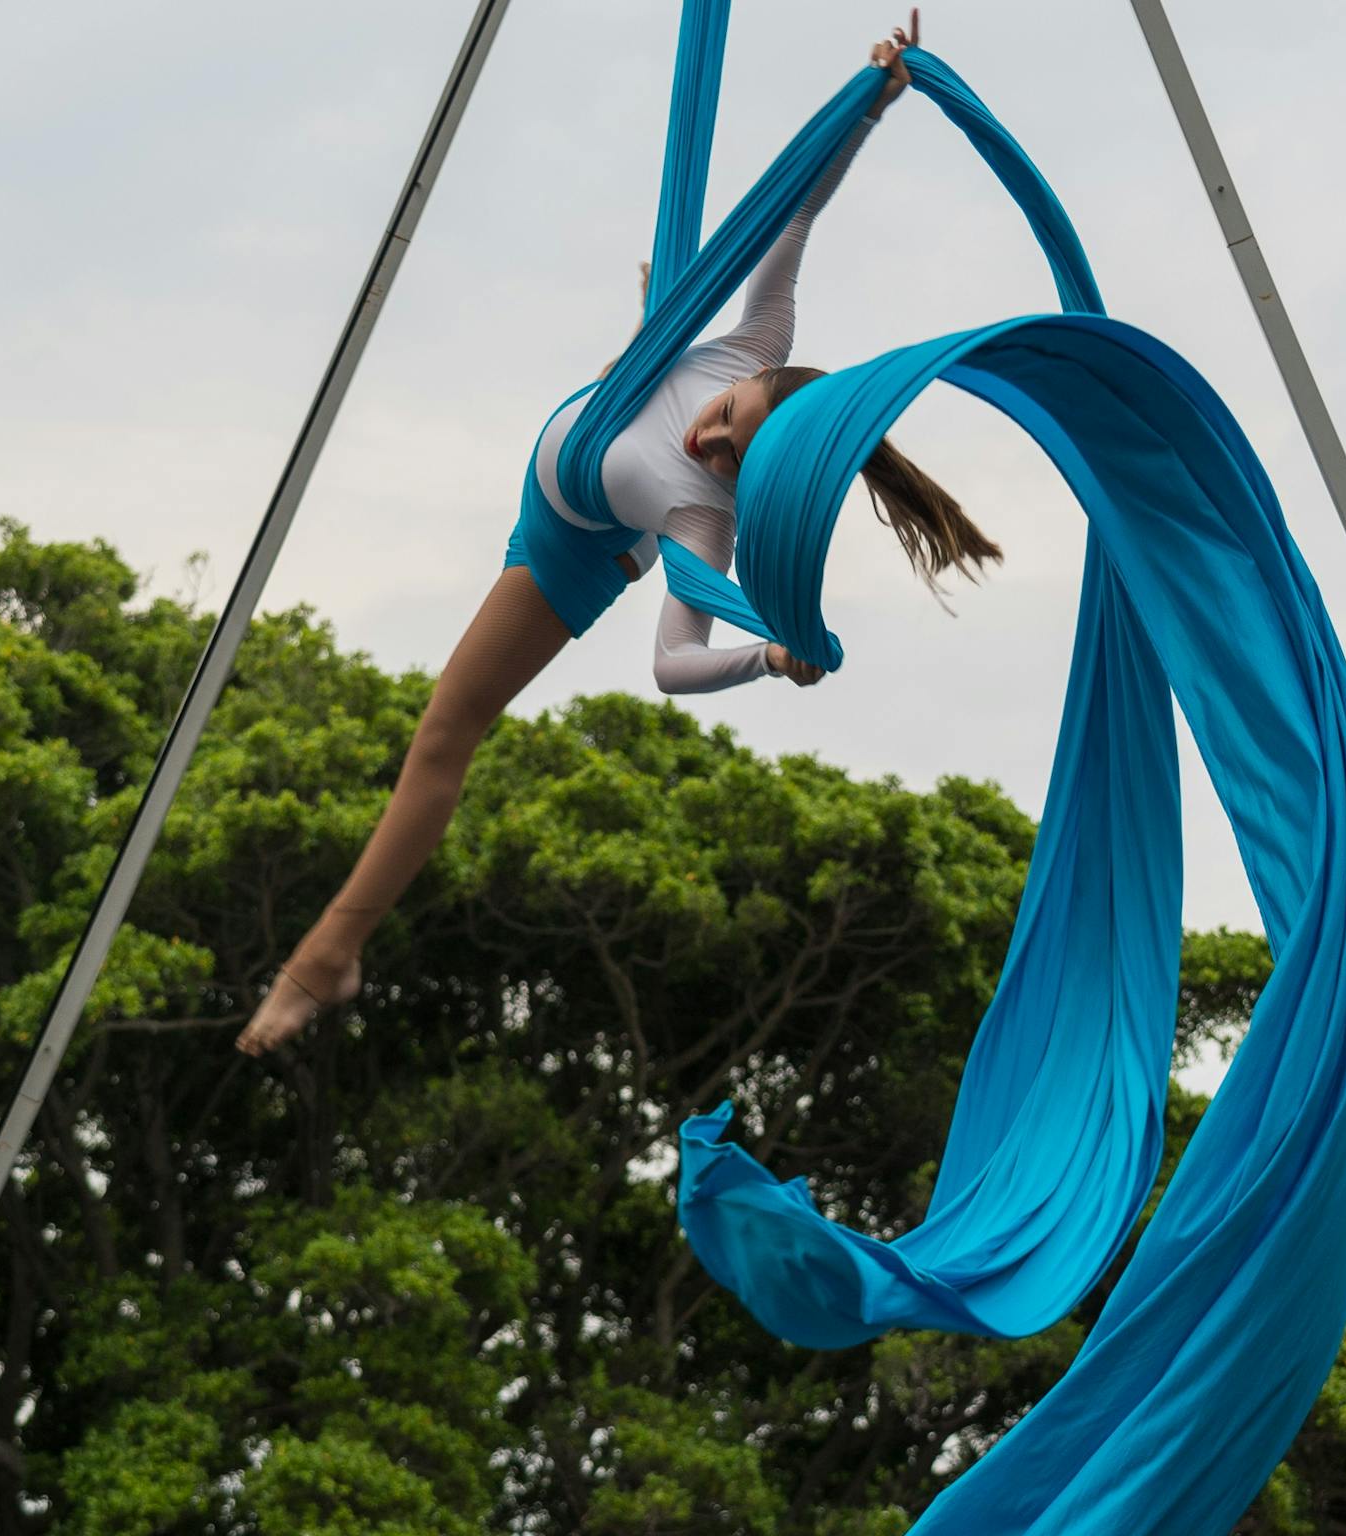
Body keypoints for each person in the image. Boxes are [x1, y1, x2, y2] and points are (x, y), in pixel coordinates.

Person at [237, 9, 999, 1057]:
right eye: (726, 423)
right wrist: (870, 100)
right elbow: (789, 219)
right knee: (669, 305)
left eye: (729, 455)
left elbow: (671, 665)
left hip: (574, 534)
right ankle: (652, 328)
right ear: (753, 383)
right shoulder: (754, 347)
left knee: (443, 735)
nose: (710, 439)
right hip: (612, 403)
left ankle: (329, 952)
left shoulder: (702, 513)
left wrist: (769, 659)